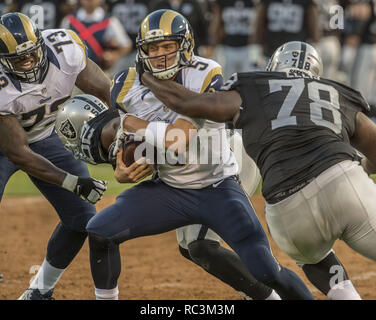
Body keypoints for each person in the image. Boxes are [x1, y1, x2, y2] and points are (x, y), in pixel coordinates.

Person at [72, 9, 314, 300]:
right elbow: (132, 143)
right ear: (142, 50)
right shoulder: (124, 84)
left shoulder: (205, 71)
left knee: (266, 270)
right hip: (170, 189)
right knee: (100, 232)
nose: (160, 55)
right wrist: (121, 167)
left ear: (185, 46)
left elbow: (178, 139)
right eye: (153, 48)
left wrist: (133, 123)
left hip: (217, 185)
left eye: (168, 47)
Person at [137, 41, 375, 300]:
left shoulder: (254, 85)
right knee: (195, 247)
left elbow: (190, 103)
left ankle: (268, 296)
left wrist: (146, 76)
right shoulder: (331, 91)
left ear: (273, 65)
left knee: (200, 245)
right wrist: (365, 166)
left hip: (267, 177)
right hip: (343, 178)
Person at [56, 96, 279, 300]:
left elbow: (170, 146)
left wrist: (137, 161)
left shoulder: (129, 125)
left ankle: (269, 295)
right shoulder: (126, 115)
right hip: (207, 159)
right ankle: (256, 291)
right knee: (190, 248)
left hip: (223, 159)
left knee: (201, 245)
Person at [0, 12, 109, 300]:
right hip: (8, 144)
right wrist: (72, 182)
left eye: (32, 54)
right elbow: (18, 153)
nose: (29, 63)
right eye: (17, 60)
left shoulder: (66, 50)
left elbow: (106, 93)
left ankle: (40, 290)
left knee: (82, 218)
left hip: (45, 136)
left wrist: (122, 136)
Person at [60, 0, 133, 72]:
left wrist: (114, 55)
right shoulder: (69, 20)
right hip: (74, 71)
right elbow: (59, 44)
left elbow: (126, 45)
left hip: (100, 71)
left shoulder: (110, 21)